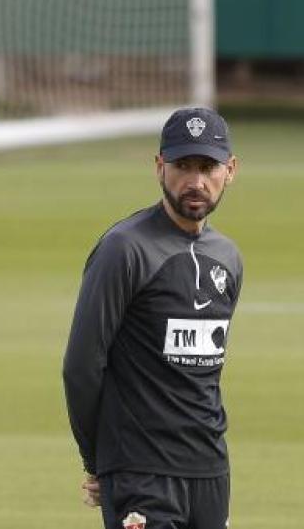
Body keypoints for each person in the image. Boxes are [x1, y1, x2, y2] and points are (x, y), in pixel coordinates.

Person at [62, 107, 243, 529]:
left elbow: (203, 376)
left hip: (210, 471)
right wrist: (98, 461)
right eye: (182, 166)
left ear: (230, 170)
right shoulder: (124, 249)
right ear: (160, 167)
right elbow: (81, 366)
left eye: (207, 167)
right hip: (141, 473)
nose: (195, 181)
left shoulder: (228, 259)